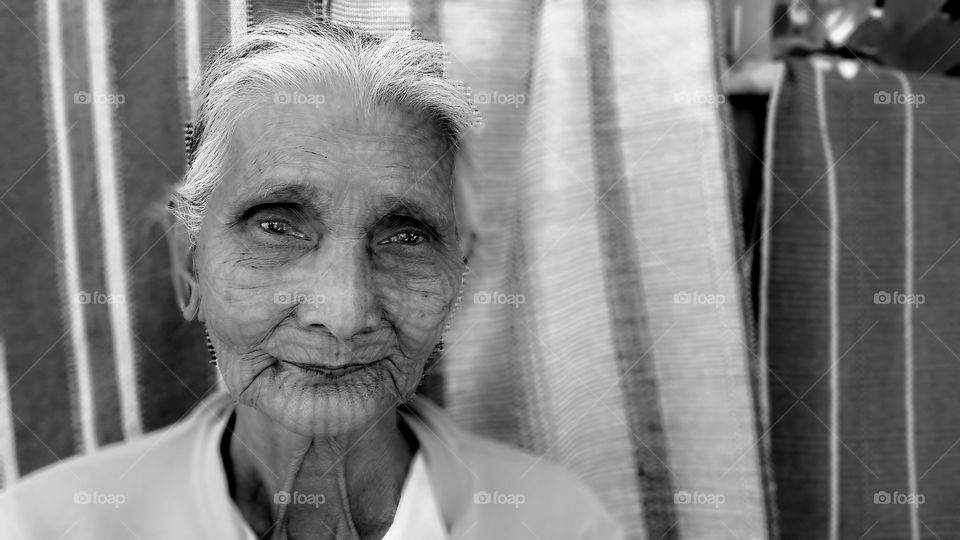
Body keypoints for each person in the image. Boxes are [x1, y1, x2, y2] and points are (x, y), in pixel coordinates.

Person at [0, 15, 622, 539]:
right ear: (189, 264)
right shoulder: (46, 526)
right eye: (276, 226)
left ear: (456, 276)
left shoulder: (557, 521)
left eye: (407, 237)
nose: (343, 312)